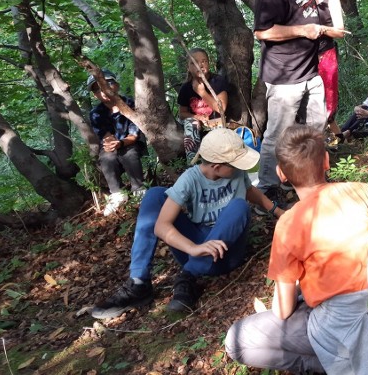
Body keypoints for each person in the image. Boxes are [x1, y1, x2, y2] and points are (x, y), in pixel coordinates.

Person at [225, 125, 368, 374]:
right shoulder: (356, 191)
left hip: (337, 322)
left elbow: (283, 310)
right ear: (326, 161)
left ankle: (330, 365)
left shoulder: (288, 223)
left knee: (236, 341)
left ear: (281, 174)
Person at [89, 129, 282, 320]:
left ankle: (188, 277)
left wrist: (279, 212)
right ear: (216, 166)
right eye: (234, 163)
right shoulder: (190, 179)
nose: (240, 167)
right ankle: (139, 282)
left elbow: (249, 192)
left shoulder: (236, 173)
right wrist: (194, 248)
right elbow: (161, 226)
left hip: (226, 253)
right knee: (155, 194)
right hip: (197, 247)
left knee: (239, 206)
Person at [253, 0, 347, 203]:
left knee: (316, 126)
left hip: (310, 72)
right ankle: (268, 186)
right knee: (279, 133)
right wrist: (302, 30)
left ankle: (311, 177)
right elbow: (262, 32)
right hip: (284, 78)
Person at [88, 70, 147, 216]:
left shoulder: (129, 103)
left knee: (129, 154)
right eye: (96, 89)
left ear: (116, 85)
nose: (101, 91)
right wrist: (112, 143)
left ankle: (139, 189)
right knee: (107, 158)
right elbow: (106, 137)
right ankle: (117, 193)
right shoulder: (96, 113)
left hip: (131, 143)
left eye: (105, 84)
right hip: (113, 146)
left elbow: (133, 135)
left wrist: (121, 143)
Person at [309, 0, 346, 145]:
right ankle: (328, 141)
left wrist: (319, 29)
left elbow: (340, 31)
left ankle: (332, 142)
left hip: (325, 54)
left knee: (328, 98)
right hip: (304, 57)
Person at [177, 48, 230, 164]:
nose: (200, 65)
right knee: (191, 123)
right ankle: (194, 165)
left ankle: (220, 165)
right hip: (197, 124)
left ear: (208, 64)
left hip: (216, 122)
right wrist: (198, 117)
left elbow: (222, 109)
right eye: (194, 62)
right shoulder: (185, 88)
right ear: (188, 67)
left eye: (204, 61)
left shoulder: (217, 81)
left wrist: (202, 92)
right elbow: (182, 113)